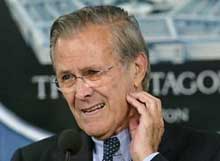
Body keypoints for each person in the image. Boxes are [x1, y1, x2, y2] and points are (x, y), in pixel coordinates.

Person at [11, 5, 220, 161]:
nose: (81, 92)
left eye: (93, 73)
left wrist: (148, 158)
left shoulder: (210, 152)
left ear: (137, 69)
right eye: (67, 78)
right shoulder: (31, 159)